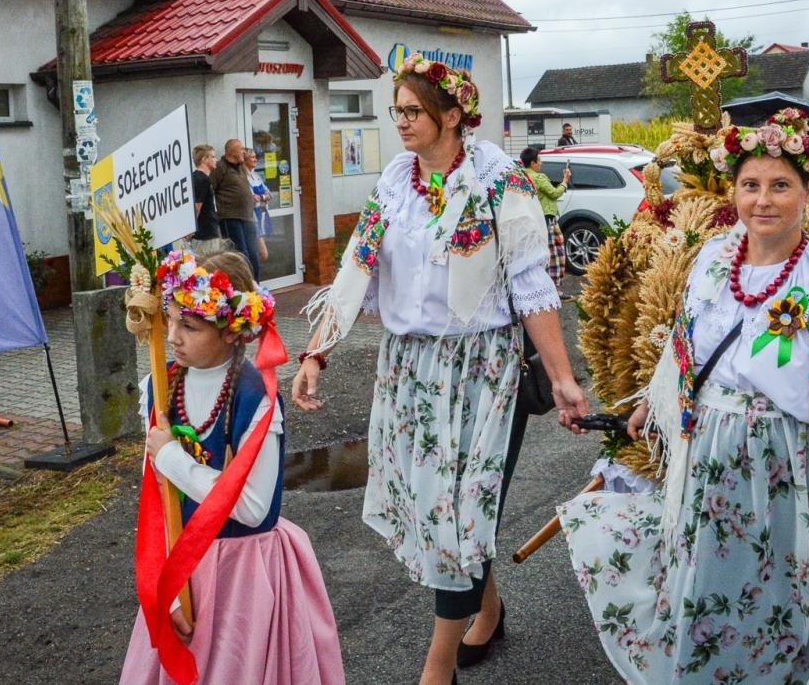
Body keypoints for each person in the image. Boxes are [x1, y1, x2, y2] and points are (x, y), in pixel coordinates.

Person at [559, 108, 809, 684]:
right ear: (734, 191)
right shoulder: (715, 260)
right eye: (750, 185)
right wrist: (651, 406)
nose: (762, 200)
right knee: (703, 598)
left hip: (784, 469)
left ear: (808, 192)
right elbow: (685, 344)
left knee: (774, 607)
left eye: (780, 186)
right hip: (708, 462)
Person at [293, 54, 589, 685]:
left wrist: (562, 377)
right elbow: (356, 271)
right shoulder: (394, 183)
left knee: (460, 513)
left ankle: (437, 668)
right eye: (396, 111)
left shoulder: (500, 182)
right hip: (409, 368)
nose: (400, 121)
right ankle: (489, 609)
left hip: (483, 368)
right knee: (438, 509)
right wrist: (317, 352)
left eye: (413, 111)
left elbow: (531, 284)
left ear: (452, 116)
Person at [120, 251, 345, 685]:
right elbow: (157, 502)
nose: (173, 337)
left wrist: (171, 459)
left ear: (231, 330)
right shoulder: (159, 386)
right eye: (170, 320)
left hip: (244, 576)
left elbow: (253, 508)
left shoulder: (254, 396)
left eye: (189, 326)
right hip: (180, 566)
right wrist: (163, 586)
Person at [519, 146, 571, 294]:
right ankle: (555, 289)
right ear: (533, 163)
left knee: (537, 253)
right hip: (547, 218)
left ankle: (539, 287)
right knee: (555, 253)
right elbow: (554, 193)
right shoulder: (539, 177)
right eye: (539, 161)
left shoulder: (521, 177)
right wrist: (565, 181)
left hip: (532, 219)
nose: (541, 163)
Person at [210, 139, 262, 276]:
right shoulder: (220, 167)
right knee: (240, 254)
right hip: (230, 218)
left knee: (253, 253)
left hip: (247, 217)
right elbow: (210, 190)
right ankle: (244, 285)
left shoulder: (241, 167)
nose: (244, 152)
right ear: (232, 152)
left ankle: (256, 285)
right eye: (241, 149)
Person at [185, 144, 226, 256]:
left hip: (208, 230)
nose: (216, 160)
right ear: (204, 159)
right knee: (210, 261)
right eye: (213, 157)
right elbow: (197, 207)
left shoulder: (199, 178)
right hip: (206, 234)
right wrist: (190, 229)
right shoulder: (201, 179)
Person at [244, 148, 272, 268]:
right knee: (262, 254)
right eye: (253, 157)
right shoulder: (243, 178)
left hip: (262, 215)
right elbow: (252, 200)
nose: (255, 159)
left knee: (258, 254)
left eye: (255, 157)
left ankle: (253, 274)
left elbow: (269, 194)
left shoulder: (256, 176)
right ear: (245, 160)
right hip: (252, 217)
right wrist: (262, 198)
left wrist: (261, 197)